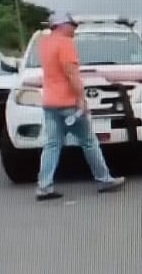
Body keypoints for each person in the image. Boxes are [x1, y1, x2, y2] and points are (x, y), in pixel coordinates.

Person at [35, 12, 126, 200]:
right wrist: (81, 99)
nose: (74, 29)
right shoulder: (66, 44)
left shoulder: (44, 43)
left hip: (49, 102)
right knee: (88, 142)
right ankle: (104, 180)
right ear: (62, 25)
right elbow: (71, 74)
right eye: (72, 25)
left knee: (52, 144)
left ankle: (44, 186)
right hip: (68, 103)